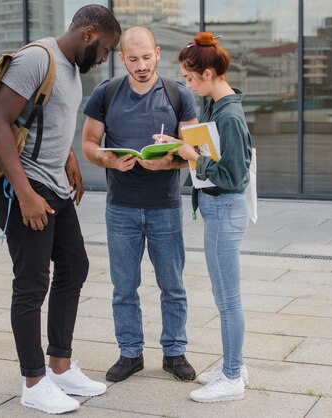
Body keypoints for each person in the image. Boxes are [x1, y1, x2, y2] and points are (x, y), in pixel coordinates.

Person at [0, 4, 121, 415]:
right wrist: (24, 193)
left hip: (54, 182)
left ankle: (60, 367)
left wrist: (68, 158)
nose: (103, 59)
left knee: (74, 267)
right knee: (31, 283)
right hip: (25, 187)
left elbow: (48, 118)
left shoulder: (69, 68)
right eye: (105, 49)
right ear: (88, 33)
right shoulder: (36, 59)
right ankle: (34, 382)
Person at [81, 25, 198, 383]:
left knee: (173, 286)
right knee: (124, 287)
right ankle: (130, 354)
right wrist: (110, 161)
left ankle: (174, 352)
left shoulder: (179, 95)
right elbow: (88, 143)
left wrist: (168, 161)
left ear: (158, 53)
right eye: (133, 59)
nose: (141, 65)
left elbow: (194, 152)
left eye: (147, 57)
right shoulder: (106, 93)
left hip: (164, 206)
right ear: (122, 59)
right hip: (122, 207)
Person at [172, 32, 253, 403]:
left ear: (207, 74)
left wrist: (192, 153)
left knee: (228, 299)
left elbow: (235, 175)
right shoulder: (217, 105)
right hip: (216, 209)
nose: (187, 85)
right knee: (225, 297)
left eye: (189, 78)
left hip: (225, 209)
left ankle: (233, 376)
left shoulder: (229, 112)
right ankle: (231, 365)